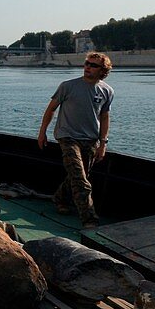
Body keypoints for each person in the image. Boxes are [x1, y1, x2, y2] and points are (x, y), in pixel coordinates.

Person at [37, 52, 114, 229]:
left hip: (91, 139)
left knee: (80, 175)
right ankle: (89, 218)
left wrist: (103, 143)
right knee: (80, 177)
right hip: (67, 136)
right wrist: (42, 133)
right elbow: (50, 110)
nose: (88, 67)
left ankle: (60, 198)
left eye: (93, 65)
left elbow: (104, 117)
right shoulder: (68, 86)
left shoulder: (107, 91)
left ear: (102, 70)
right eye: (87, 63)